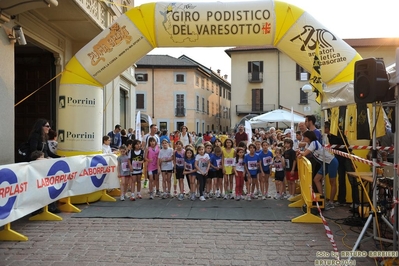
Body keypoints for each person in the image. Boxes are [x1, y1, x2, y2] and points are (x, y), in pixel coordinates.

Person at [298, 130, 339, 210]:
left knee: (332, 182)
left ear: (308, 137)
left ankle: (331, 202)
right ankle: (321, 198)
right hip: (325, 163)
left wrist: (300, 153)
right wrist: (300, 153)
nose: (304, 139)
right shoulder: (310, 144)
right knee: (316, 179)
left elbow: (305, 153)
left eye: (305, 137)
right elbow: (304, 152)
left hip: (331, 162)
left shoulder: (314, 143)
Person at [324, 121, 357, 206]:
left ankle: (356, 202)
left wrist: (350, 157)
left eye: (325, 127)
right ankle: (341, 200)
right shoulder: (329, 136)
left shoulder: (339, 134)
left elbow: (347, 146)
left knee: (352, 179)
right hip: (338, 159)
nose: (324, 129)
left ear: (328, 128)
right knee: (341, 180)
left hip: (346, 158)